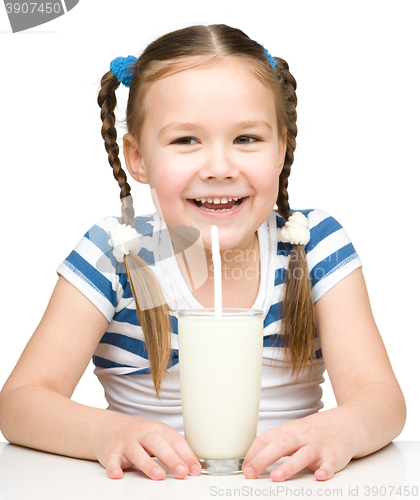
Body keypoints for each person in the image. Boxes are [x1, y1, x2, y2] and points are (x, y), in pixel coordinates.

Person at [0, 24, 405, 483]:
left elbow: (380, 398)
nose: (218, 168)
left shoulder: (312, 246)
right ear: (137, 157)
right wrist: (103, 433)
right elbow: (20, 402)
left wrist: (345, 429)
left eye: (247, 138)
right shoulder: (114, 255)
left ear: (281, 149)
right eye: (185, 140)